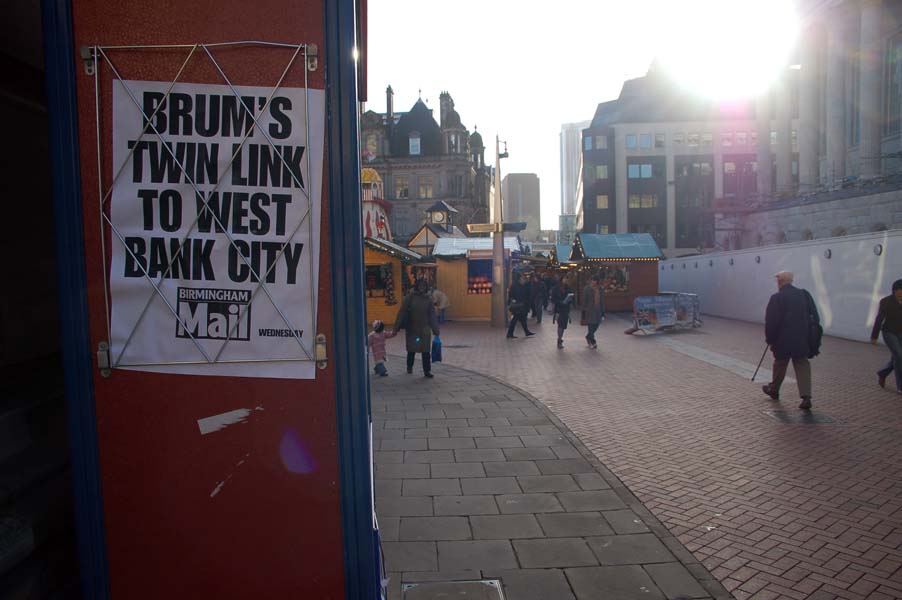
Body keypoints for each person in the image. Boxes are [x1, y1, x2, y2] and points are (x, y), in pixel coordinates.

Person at [762, 271, 819, 410]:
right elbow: (815, 317)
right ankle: (806, 397)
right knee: (802, 364)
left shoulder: (777, 298)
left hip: (783, 340)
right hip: (802, 338)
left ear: (780, 282)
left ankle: (774, 389)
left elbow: (771, 321)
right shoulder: (804, 295)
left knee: (780, 364)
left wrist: (770, 339)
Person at [393, 278, 440, 378]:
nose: (422, 288)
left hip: (425, 329)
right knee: (411, 350)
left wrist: (435, 329)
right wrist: (396, 327)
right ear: (417, 286)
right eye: (420, 285)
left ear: (426, 287)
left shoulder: (428, 299)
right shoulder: (410, 297)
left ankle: (427, 371)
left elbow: (432, 315)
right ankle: (409, 366)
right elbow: (402, 312)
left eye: (424, 286)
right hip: (412, 328)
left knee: (426, 351)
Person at [871, 278, 902, 394]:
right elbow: (879, 319)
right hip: (889, 332)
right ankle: (900, 386)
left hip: (901, 332)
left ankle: (882, 373)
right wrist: (874, 336)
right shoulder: (886, 301)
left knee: (897, 357)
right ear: (895, 291)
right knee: (899, 356)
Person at [506, 274, 535, 339]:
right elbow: (514, 295)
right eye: (522, 279)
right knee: (515, 319)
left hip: (521, 306)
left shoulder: (522, 286)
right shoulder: (516, 286)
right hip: (518, 306)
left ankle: (526, 332)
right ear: (519, 280)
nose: (524, 280)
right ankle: (510, 333)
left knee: (522, 319)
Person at [550, 274, 574, 349]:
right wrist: (560, 302)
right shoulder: (555, 288)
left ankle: (560, 338)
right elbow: (553, 299)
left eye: (567, 279)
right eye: (564, 278)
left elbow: (571, 297)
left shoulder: (568, 288)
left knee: (563, 325)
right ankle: (559, 339)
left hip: (565, 309)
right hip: (558, 309)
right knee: (560, 324)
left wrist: (570, 300)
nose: (566, 280)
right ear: (561, 279)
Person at [582, 274, 605, 349]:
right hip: (590, 309)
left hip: (598, 309)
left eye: (595, 280)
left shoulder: (600, 289)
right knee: (591, 326)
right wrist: (584, 310)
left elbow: (602, 301)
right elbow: (584, 300)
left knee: (596, 325)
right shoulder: (587, 289)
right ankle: (592, 341)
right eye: (592, 280)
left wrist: (603, 312)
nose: (593, 282)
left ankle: (588, 337)